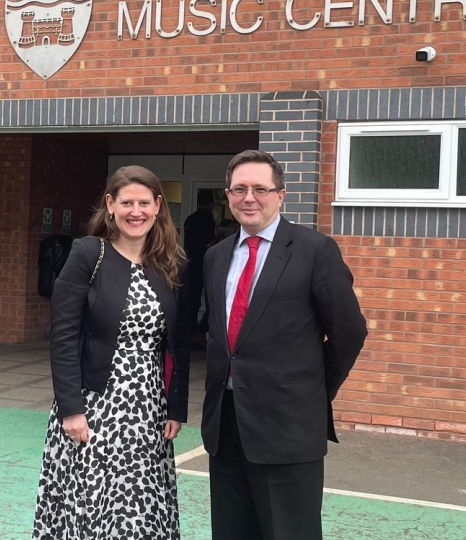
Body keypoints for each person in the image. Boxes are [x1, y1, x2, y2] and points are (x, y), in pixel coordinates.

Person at [201, 150, 368, 540]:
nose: (249, 198)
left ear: (281, 195)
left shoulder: (315, 251)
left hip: (289, 428)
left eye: (261, 188)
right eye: (239, 189)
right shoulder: (215, 256)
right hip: (226, 425)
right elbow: (218, 334)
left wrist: (312, 391)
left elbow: (349, 333)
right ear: (227, 195)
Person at [33, 165, 192, 539]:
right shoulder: (90, 253)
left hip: (148, 410)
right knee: (93, 503)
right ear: (110, 205)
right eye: (126, 203)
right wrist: (71, 408)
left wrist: (176, 407)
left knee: (141, 505)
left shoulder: (167, 265)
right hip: (96, 406)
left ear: (157, 207)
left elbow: (177, 343)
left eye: (143, 203)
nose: (135, 212)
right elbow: (64, 334)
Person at [183, 190, 218, 336]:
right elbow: (210, 242)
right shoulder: (208, 220)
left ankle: (188, 330)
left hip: (191, 262)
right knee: (211, 297)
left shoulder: (190, 219)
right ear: (210, 204)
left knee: (192, 299)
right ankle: (202, 330)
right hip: (206, 261)